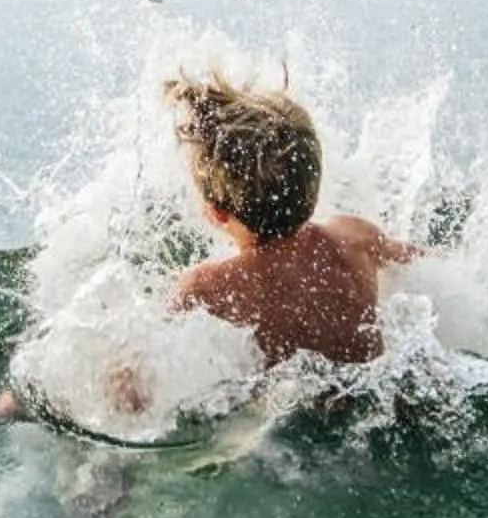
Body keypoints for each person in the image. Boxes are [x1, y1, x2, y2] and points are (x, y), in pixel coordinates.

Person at [163, 73, 417, 366]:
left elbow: (150, 360)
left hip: (288, 403)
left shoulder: (207, 286)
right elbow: (430, 267)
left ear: (217, 212)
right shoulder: (354, 236)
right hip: (379, 389)